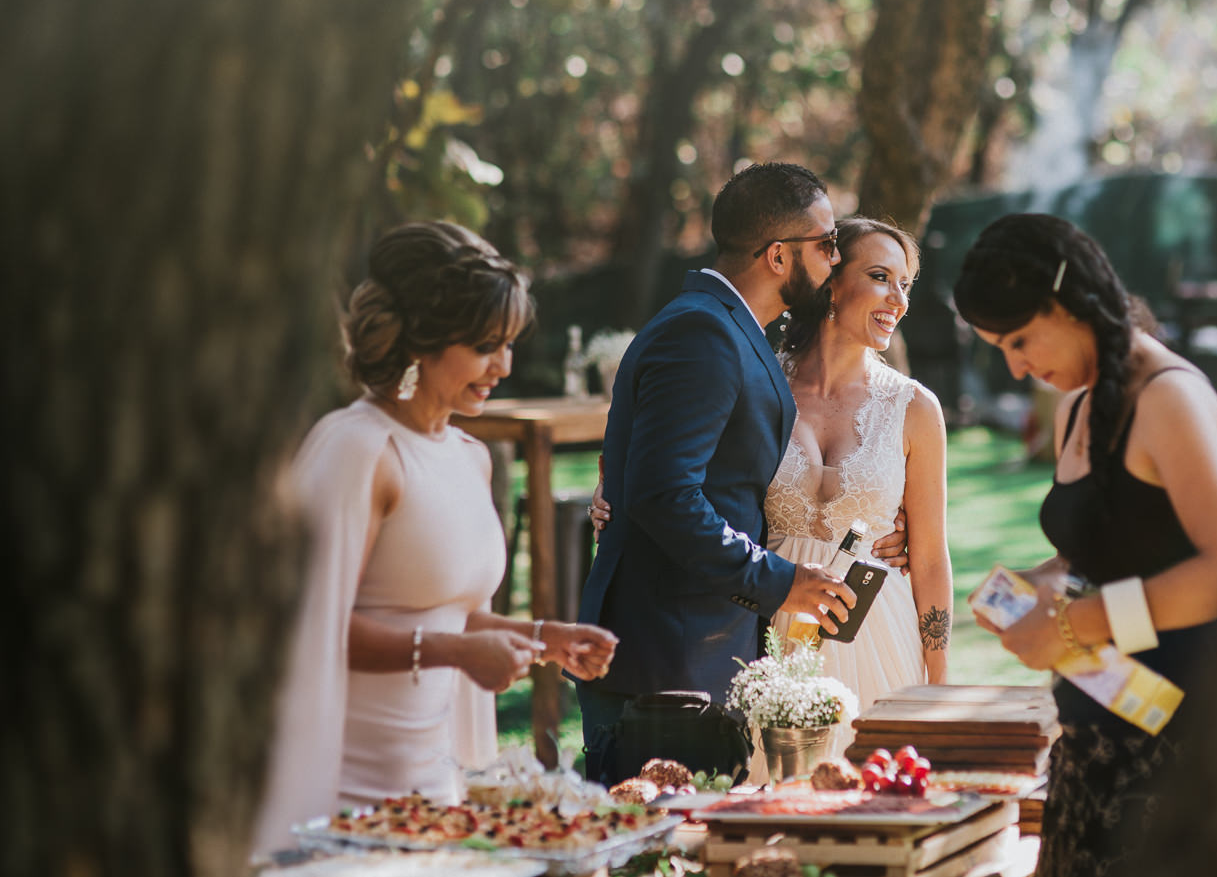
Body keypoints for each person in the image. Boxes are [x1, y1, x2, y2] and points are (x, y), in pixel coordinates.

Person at [253, 222, 617, 852]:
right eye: (484, 346)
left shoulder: (469, 454)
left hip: (436, 785)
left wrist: (542, 638)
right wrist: (452, 654)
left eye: (507, 345)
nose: (504, 366)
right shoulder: (358, 448)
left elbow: (451, 613)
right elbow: (309, 626)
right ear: (419, 344)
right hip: (347, 791)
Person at [954, 213, 1217, 877]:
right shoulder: (1080, 402)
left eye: (1019, 340)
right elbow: (1114, 549)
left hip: (1178, 759)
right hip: (1093, 742)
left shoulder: (1169, 398)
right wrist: (1042, 583)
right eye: (1000, 350)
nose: (1016, 369)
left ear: (1066, 304)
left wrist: (1073, 622)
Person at [590, 219, 953, 772]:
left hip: (878, 630)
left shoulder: (915, 408)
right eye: (881, 277)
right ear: (830, 279)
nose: (898, 299)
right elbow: (677, 480)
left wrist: (939, 683)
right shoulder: (755, 381)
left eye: (906, 283)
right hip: (761, 628)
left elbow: (929, 556)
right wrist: (609, 497)